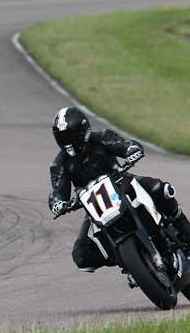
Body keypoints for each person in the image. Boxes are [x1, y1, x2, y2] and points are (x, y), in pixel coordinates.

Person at [48, 106, 190, 272]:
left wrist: (132, 150)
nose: (67, 141)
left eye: (70, 135)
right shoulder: (60, 164)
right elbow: (58, 190)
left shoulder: (102, 138)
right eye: (62, 137)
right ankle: (124, 259)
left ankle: (184, 230)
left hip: (123, 183)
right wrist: (58, 203)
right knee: (81, 255)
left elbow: (123, 144)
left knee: (161, 189)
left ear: (83, 130)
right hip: (94, 206)